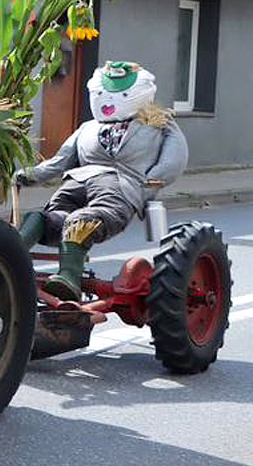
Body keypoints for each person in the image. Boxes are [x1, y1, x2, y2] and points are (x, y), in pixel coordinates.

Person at [15, 62, 188, 301]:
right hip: (76, 183)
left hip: (121, 187)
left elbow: (174, 161)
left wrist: (147, 187)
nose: (107, 102)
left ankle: (68, 278)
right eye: (102, 95)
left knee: (80, 221)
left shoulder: (160, 124)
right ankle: (10, 257)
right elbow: (60, 161)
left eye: (122, 95)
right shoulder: (87, 128)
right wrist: (29, 175)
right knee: (40, 219)